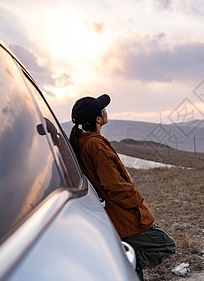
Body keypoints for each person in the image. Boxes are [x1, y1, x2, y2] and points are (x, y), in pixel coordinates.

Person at [69, 94, 175, 280]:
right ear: (98, 119)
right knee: (164, 244)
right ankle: (119, 266)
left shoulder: (85, 142)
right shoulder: (96, 145)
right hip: (124, 217)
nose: (105, 110)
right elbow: (113, 185)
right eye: (102, 108)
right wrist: (136, 200)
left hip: (115, 216)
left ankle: (126, 266)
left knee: (133, 260)